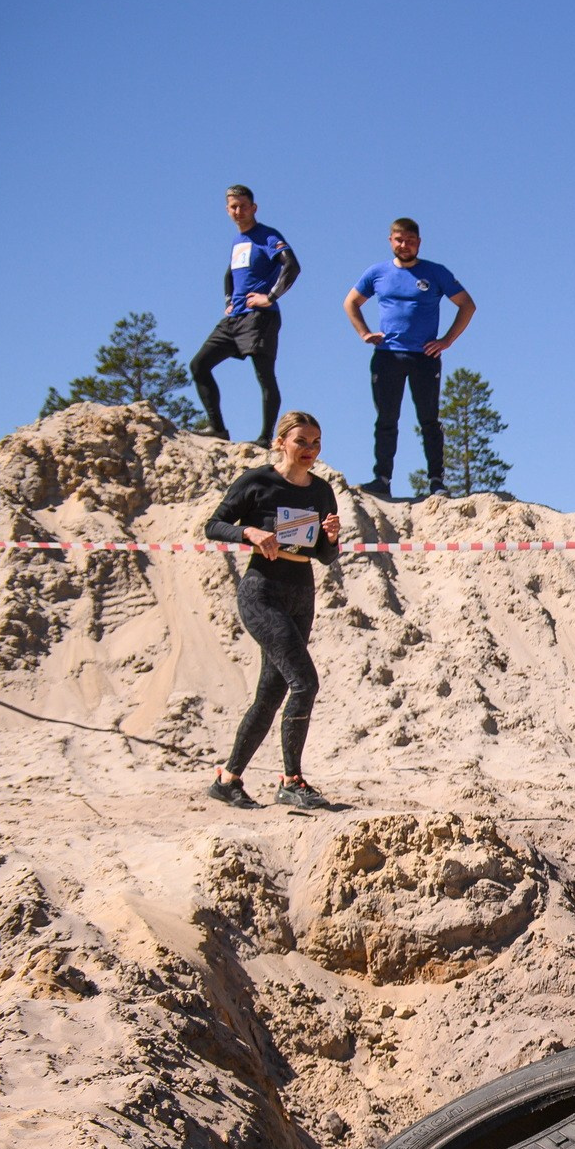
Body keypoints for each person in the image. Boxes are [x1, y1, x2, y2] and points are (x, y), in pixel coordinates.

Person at [203, 411, 341, 811]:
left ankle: (228, 780)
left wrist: (331, 539)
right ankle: (291, 781)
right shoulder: (258, 481)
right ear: (281, 442)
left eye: (316, 442)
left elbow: (325, 556)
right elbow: (214, 525)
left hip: (302, 591)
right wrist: (249, 532)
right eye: (302, 441)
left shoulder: (321, 491)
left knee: (271, 692)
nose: (310, 450)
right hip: (261, 592)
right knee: (305, 683)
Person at [343, 218, 475, 501]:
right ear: (391, 240)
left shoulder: (435, 272)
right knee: (386, 418)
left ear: (419, 242)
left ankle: (436, 480)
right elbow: (350, 302)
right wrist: (364, 332)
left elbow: (467, 304)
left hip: (424, 357)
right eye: (400, 240)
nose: (405, 245)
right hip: (387, 355)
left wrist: (447, 340)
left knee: (429, 420)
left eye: (411, 240)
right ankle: (382, 479)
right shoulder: (377, 272)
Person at [190, 186, 299, 447]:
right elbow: (230, 274)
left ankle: (265, 438)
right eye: (233, 207)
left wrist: (270, 297)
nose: (238, 211)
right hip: (233, 319)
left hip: (260, 317)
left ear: (253, 208)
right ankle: (217, 428)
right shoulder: (238, 241)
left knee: (264, 375)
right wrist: (228, 301)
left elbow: (292, 265)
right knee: (199, 365)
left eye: (242, 206)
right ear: (228, 210)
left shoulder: (268, 236)